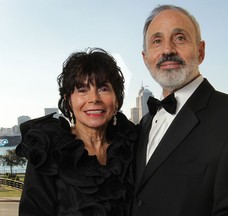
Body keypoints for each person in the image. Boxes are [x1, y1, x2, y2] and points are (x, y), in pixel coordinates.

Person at [131, 4, 228, 216]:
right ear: (145, 59)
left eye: (180, 38)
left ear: (201, 51)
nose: (168, 50)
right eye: (157, 41)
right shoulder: (143, 125)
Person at [16, 48, 137, 215]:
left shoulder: (130, 148)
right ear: (68, 101)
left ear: (117, 100)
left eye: (103, 89)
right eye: (82, 90)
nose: (94, 98)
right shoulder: (49, 151)